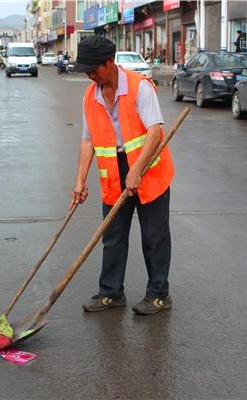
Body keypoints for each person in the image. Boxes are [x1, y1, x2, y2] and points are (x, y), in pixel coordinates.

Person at [71, 36, 175, 315]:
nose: (90, 75)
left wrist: (137, 171)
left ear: (109, 62)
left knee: (154, 237)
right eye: (86, 71)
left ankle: (158, 294)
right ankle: (111, 292)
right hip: (114, 175)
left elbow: (155, 133)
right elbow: (87, 140)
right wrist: (80, 180)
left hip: (149, 171)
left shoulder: (141, 88)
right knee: (112, 236)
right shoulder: (90, 96)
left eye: (93, 69)